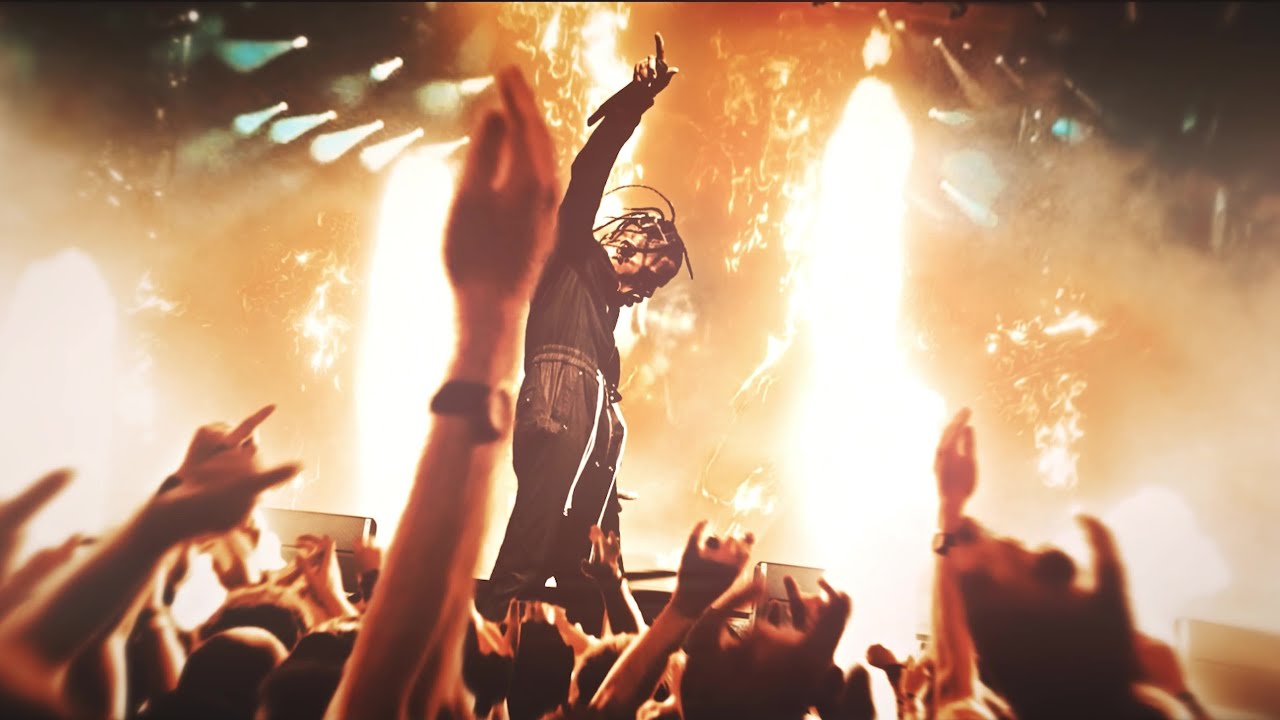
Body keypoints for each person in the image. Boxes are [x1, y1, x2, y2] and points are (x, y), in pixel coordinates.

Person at [479, 33, 692, 625]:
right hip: (561, 408)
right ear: (627, 244)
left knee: (592, 581)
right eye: (653, 273)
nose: (648, 291)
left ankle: (591, 667)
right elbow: (588, 170)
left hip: (589, 428)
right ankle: (488, 657)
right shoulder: (570, 256)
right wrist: (635, 102)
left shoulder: (602, 313)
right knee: (528, 555)